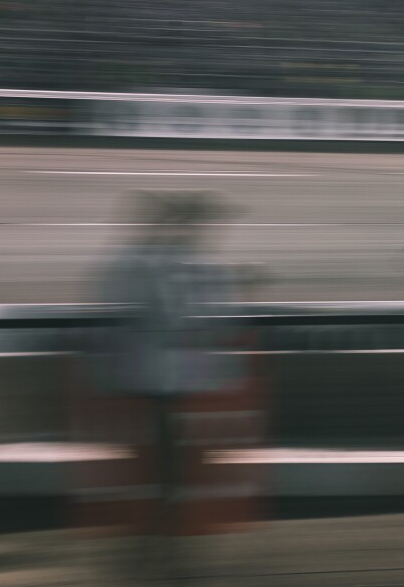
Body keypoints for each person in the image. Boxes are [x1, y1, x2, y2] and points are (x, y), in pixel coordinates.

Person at [88, 190, 245, 579]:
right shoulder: (173, 264)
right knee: (168, 451)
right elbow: (193, 318)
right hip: (167, 376)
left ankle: (161, 524)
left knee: (162, 450)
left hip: (149, 373)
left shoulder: (135, 261)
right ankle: (166, 522)